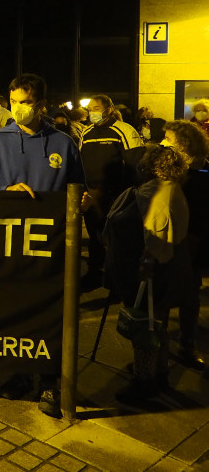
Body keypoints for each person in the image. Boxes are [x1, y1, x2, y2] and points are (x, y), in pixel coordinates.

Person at [0, 73, 85, 418]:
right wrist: (5, 193)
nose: (17, 108)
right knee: (17, 311)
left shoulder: (64, 143)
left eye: (24, 102)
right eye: (13, 102)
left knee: (54, 313)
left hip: (53, 248)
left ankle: (52, 381)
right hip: (11, 243)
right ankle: (20, 374)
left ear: (40, 105)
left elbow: (79, 188)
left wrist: (83, 202)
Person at [114, 144, 191, 406]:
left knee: (145, 327)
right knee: (158, 323)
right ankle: (160, 373)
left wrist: (146, 266)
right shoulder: (174, 187)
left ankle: (143, 382)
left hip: (155, 268)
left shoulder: (155, 192)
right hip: (172, 266)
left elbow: (155, 233)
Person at [79, 94, 145, 292]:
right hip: (92, 193)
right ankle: (95, 273)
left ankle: (116, 279)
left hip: (116, 194)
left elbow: (136, 164)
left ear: (108, 109)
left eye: (97, 108)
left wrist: (128, 193)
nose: (93, 112)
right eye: (90, 109)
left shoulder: (124, 130)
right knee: (95, 235)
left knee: (116, 238)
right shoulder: (86, 133)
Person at [160, 121, 209, 370]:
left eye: (168, 138)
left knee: (188, 294)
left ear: (183, 142)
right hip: (174, 238)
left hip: (192, 241)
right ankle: (162, 344)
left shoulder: (200, 171)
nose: (164, 142)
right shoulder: (174, 167)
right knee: (168, 292)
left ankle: (186, 344)